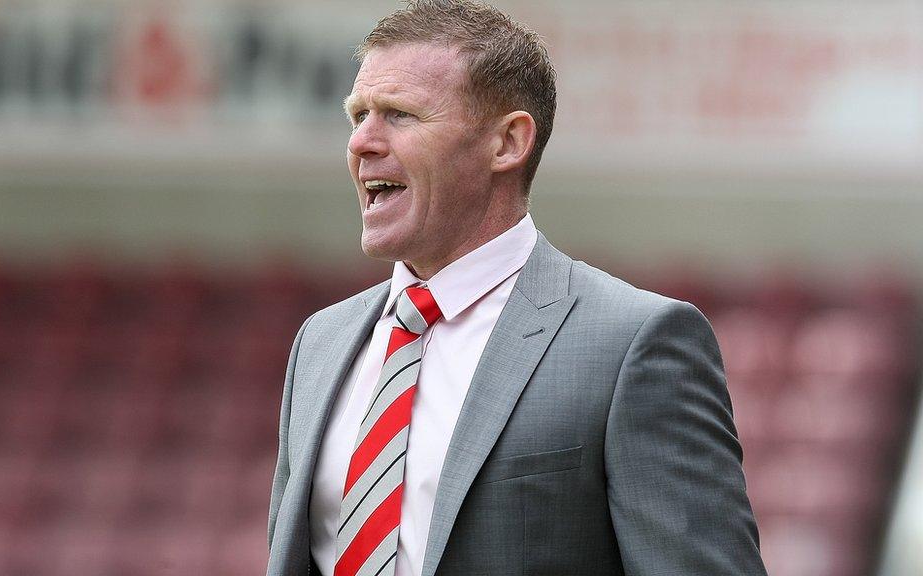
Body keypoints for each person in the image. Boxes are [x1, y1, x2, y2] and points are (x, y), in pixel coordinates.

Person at [267, 1, 767, 575]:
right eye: (358, 115)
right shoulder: (320, 343)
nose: (362, 143)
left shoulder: (633, 344)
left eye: (399, 115)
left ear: (507, 142)